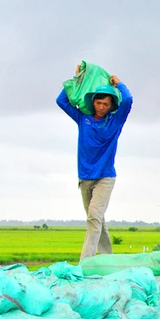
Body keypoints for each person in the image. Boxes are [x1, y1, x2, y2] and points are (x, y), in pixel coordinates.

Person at [56, 65, 133, 260]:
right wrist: (78, 78)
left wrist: (119, 83)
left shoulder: (115, 121)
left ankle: (85, 261)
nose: (101, 107)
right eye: (98, 103)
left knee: (93, 217)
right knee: (96, 218)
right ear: (93, 102)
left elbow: (129, 100)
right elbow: (61, 100)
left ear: (111, 105)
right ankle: (108, 257)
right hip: (85, 177)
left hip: (105, 177)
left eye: (105, 104)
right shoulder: (83, 119)